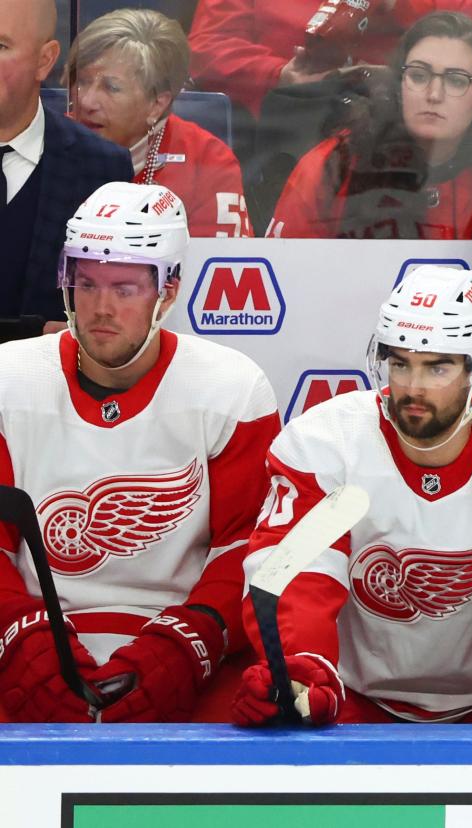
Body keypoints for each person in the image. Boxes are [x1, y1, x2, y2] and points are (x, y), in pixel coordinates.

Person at [231, 265, 472, 728]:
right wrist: (300, 665)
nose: (412, 388)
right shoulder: (325, 440)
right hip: (351, 697)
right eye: (401, 364)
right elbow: (298, 576)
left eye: (437, 367)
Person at [0, 181, 280, 723]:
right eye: (86, 284)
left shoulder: (233, 388)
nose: (100, 308)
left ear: (168, 290)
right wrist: (21, 640)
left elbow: (246, 546)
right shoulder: (10, 378)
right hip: (29, 636)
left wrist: (187, 644)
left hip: (173, 637)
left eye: (124, 289)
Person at [267, 11, 472, 240]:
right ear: (398, 85)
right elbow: (288, 280)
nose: (434, 94)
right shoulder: (333, 164)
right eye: (418, 75)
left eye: (457, 80)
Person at [66, 8, 253, 238]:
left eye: (111, 88)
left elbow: (218, 267)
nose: (86, 101)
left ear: (157, 104)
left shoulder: (208, 160)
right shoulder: (47, 141)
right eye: (82, 82)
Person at [1, 0, 131, 328]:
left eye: (0, 46)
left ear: (45, 61)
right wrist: (31, 332)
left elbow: (106, 317)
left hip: (53, 379)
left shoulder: (102, 169)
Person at [187, 0, 472, 117]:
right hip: (287, 123)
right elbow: (205, 48)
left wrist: (403, 4)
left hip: (422, 129)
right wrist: (278, 74)